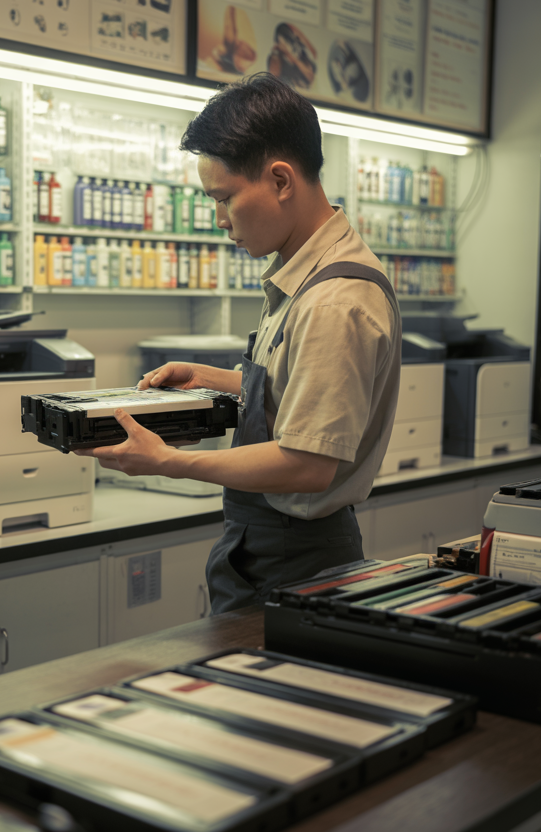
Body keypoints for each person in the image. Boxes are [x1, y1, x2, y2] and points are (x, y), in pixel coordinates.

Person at [76, 73, 402, 613]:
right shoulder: (306, 272)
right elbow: (299, 387)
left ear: (280, 180)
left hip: (294, 556)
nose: (221, 220)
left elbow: (307, 463)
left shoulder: (332, 299)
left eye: (225, 198)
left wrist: (168, 462)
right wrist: (212, 379)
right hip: (272, 546)